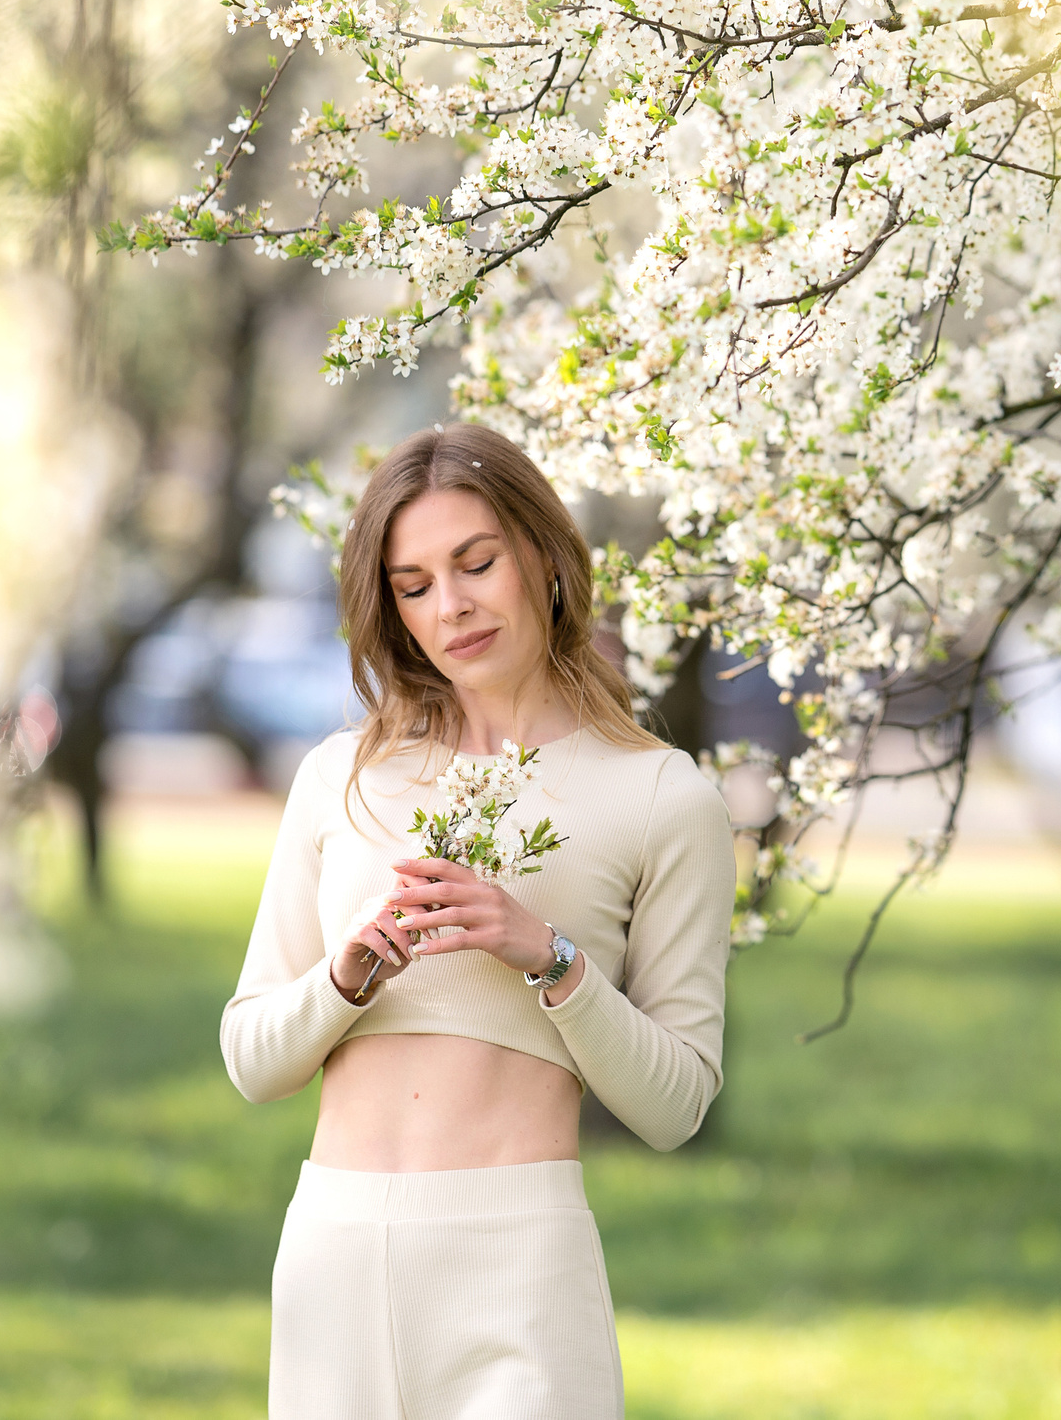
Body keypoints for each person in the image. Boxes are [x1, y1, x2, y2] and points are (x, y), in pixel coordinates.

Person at [221, 421, 735, 1419]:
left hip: (517, 1262)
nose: (450, 605)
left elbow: (677, 1107)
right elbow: (251, 1057)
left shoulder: (663, 795)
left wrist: (549, 959)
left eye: (475, 562)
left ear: (542, 554)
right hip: (332, 1251)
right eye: (413, 585)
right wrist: (343, 978)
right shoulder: (344, 778)